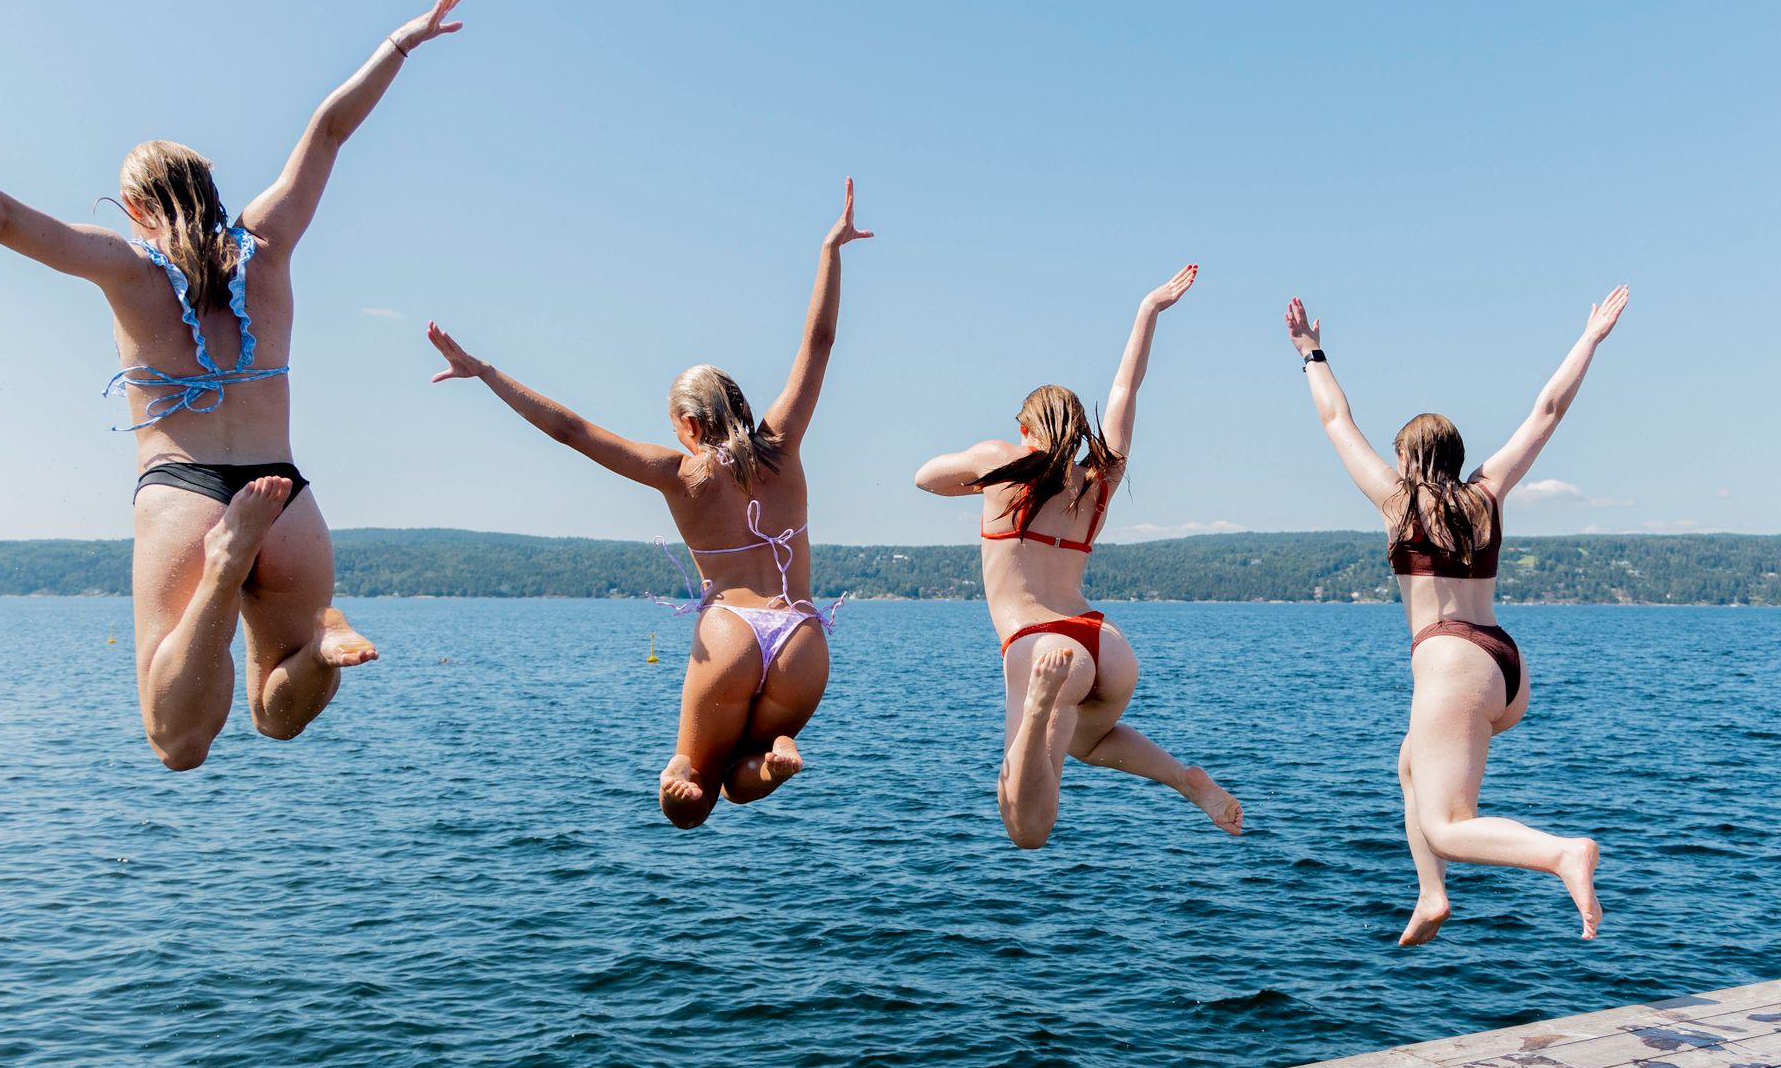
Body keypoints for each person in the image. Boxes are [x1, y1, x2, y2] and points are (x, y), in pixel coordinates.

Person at [0, 0, 475, 769]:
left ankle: (222, 573)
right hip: (286, 498)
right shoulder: (268, 242)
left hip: (184, 496)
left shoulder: (128, 266)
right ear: (211, 190)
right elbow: (329, 130)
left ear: (134, 206)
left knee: (178, 742)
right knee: (277, 719)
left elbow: (2, 218)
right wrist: (401, 42)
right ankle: (322, 643)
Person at [424, 180, 872, 827]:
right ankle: (773, 757)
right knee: (742, 781)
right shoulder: (781, 443)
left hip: (730, 632)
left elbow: (570, 431)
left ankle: (684, 770)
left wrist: (486, 372)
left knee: (695, 796)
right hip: (800, 635)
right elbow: (819, 343)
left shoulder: (680, 473)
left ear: (688, 425)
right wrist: (830, 251)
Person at [1283, 286, 1629, 942]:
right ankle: (1432, 894)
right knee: (1411, 765)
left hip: (1452, 665)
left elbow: (1335, 420)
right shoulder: (1487, 493)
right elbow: (1548, 409)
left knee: (1447, 825)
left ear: (1409, 458)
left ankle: (1563, 854)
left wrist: (1311, 353)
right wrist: (1588, 340)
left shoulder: (1397, 500)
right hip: (1504, 663)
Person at [915, 265, 1243, 849]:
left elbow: (925, 478)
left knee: (1026, 829)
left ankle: (1040, 706)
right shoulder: (1100, 479)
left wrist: (994, 468)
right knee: (1088, 742)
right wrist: (1148, 310)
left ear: (1025, 428)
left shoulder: (1000, 461)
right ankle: (1183, 779)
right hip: (1105, 645)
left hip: (1039, 644)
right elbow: (1126, 390)